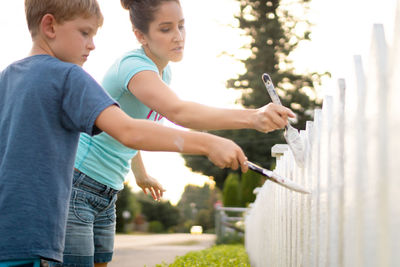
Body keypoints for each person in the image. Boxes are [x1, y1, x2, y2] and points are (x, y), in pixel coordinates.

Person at [0, 0, 250, 266]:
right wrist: (208, 142)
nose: (92, 45)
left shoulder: (7, 77)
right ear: (49, 26)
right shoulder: (69, 76)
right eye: (85, 33)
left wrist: (140, 173)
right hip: (40, 233)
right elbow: (128, 130)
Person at [53, 0, 296, 266]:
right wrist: (252, 117)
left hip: (108, 190)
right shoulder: (132, 66)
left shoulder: (162, 72)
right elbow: (178, 112)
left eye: (181, 26)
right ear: (140, 35)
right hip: (79, 182)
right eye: (166, 29)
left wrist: (140, 174)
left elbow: (127, 125)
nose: (178, 37)